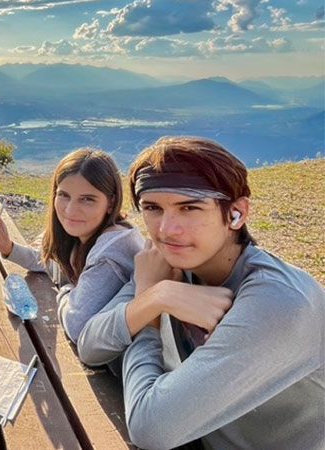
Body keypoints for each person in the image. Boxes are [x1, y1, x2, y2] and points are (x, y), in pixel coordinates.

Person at [77, 136, 324, 449]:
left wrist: (148, 320)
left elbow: (151, 429)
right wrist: (152, 297)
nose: (167, 229)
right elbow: (89, 345)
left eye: (189, 207)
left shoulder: (280, 302)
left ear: (236, 213)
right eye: (153, 208)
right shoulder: (168, 264)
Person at [0, 148, 143, 343]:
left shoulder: (111, 253)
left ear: (111, 203)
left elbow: (75, 325)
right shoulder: (85, 234)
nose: (70, 210)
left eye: (87, 199)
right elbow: (50, 263)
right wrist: (9, 248)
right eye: (64, 195)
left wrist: (66, 290)